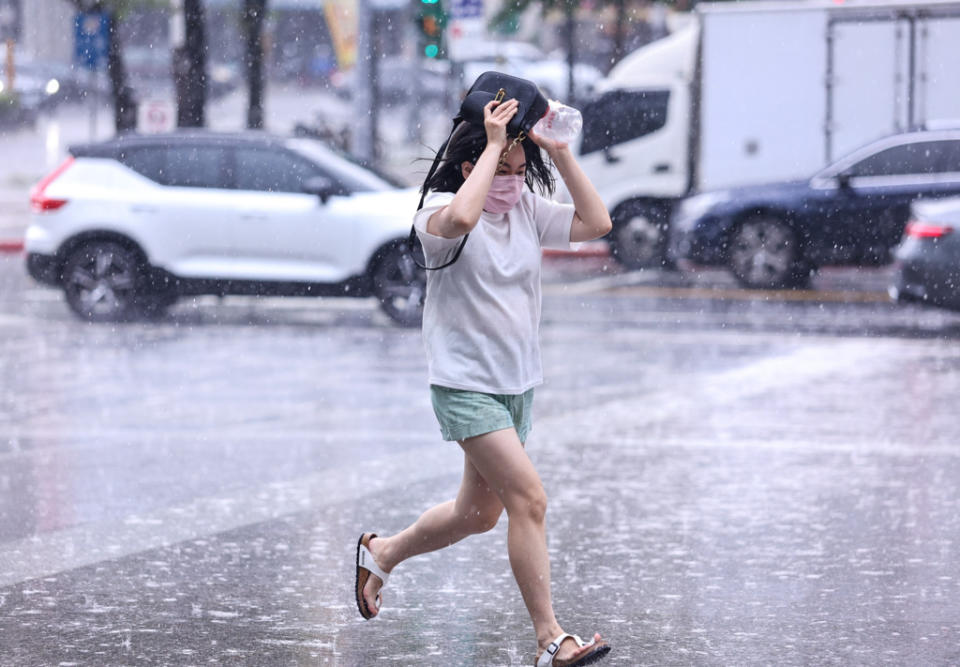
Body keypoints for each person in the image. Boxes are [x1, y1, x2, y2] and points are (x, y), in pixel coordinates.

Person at [355, 97, 614, 667]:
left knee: (478, 515)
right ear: (469, 167)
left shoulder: (524, 209)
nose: (514, 183)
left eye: (522, 173)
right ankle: (550, 640)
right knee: (530, 500)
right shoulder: (437, 218)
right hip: (465, 384)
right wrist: (494, 143)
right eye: (502, 171)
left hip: (516, 384)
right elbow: (465, 219)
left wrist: (560, 155)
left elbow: (596, 223)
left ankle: (383, 553)